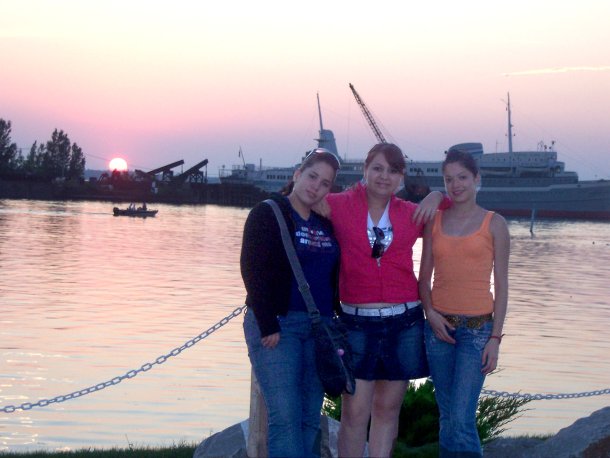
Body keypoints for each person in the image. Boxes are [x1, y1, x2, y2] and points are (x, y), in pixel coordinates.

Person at [322, 143, 449, 457]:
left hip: (403, 322)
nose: (384, 176)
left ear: (401, 177)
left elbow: (455, 204)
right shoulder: (339, 205)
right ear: (365, 170)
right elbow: (302, 201)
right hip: (355, 323)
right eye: (377, 168)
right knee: (353, 413)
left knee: (387, 410)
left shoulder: (411, 213)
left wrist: (435, 196)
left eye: (393, 170)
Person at [240, 148, 341, 458]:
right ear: (297, 174)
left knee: (310, 419)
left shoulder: (325, 223)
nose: (316, 186)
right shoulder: (269, 211)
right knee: (285, 418)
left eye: (325, 183)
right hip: (279, 327)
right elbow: (251, 266)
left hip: (319, 329)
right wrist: (268, 322)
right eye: (312, 176)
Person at [418, 148, 510, 457]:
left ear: (476, 179)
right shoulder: (435, 221)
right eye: (448, 179)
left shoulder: (494, 223)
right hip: (439, 329)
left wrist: (495, 338)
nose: (455, 185)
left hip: (477, 331)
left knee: (461, 417)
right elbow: (424, 276)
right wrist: (429, 312)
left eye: (462, 177)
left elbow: (502, 285)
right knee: (448, 418)